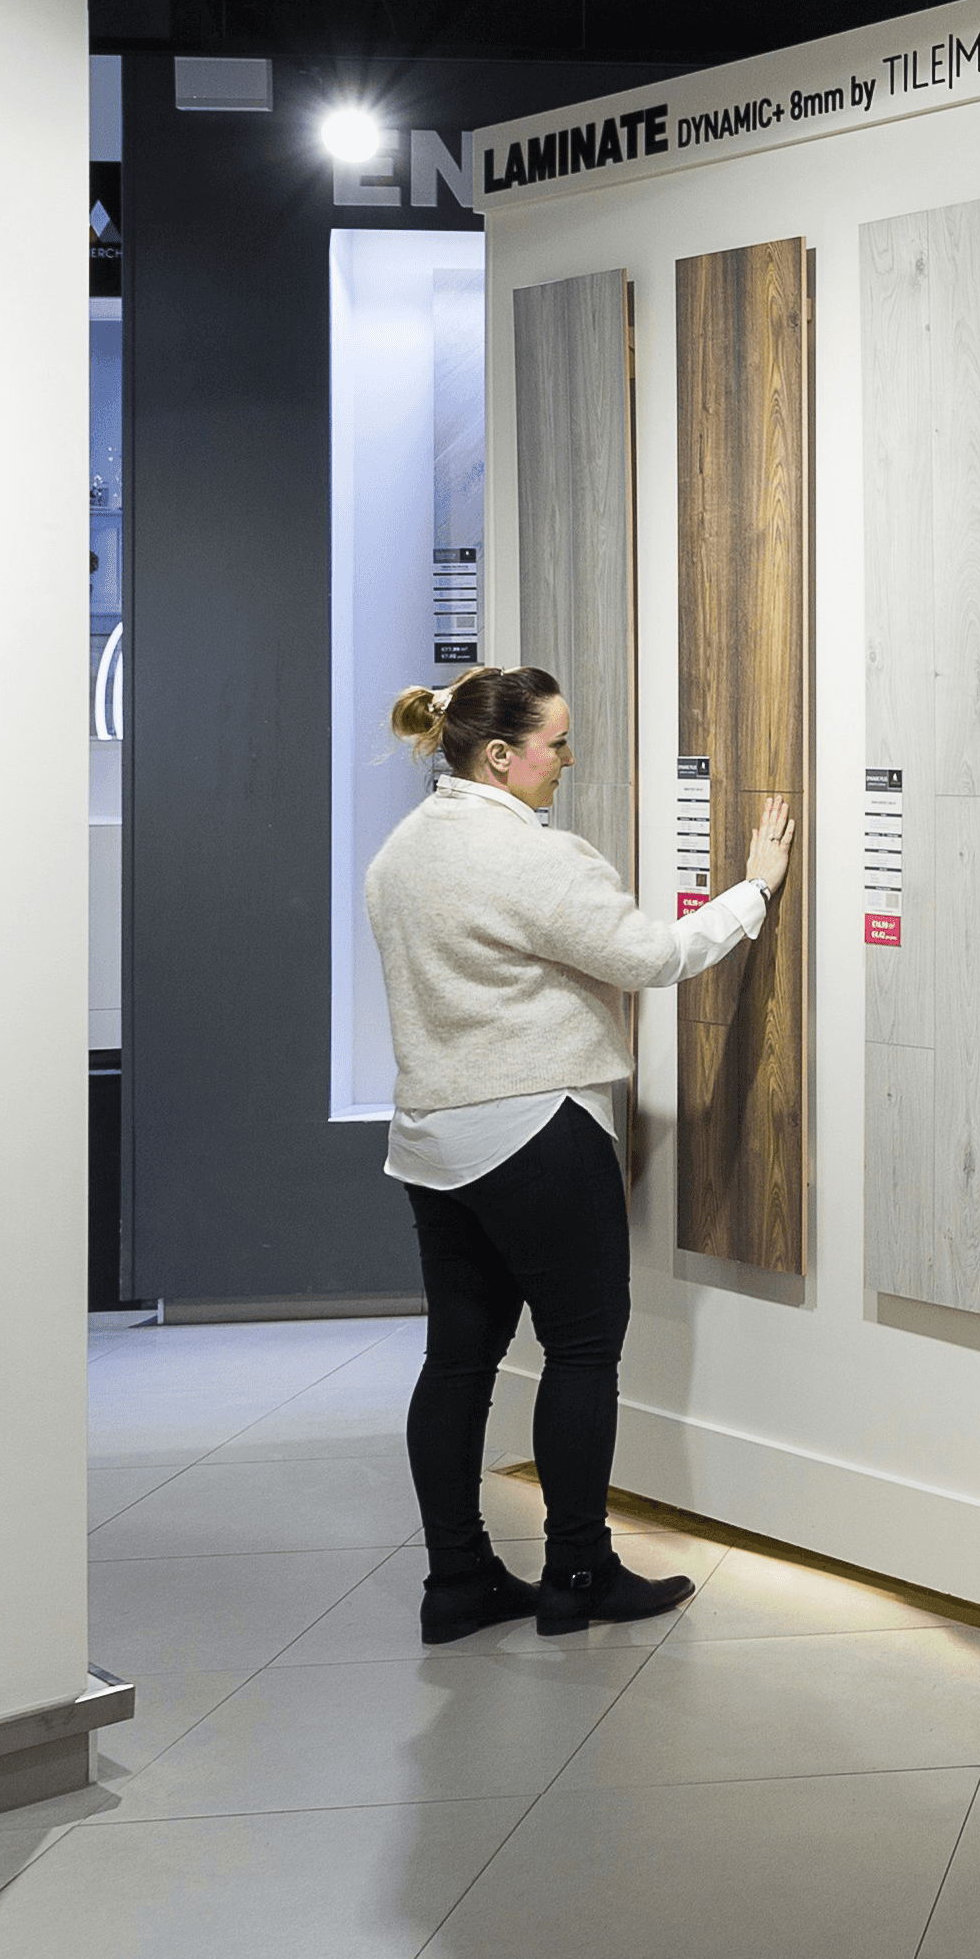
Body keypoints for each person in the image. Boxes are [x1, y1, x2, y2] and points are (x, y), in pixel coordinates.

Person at [363, 665, 793, 1640]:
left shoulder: (400, 852)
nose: (568, 760)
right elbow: (649, 958)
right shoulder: (529, 858)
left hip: (430, 1142)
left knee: (456, 1361)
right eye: (557, 745)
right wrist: (751, 892)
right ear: (502, 756)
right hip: (530, 1132)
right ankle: (578, 1572)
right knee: (582, 1349)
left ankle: (457, 1581)